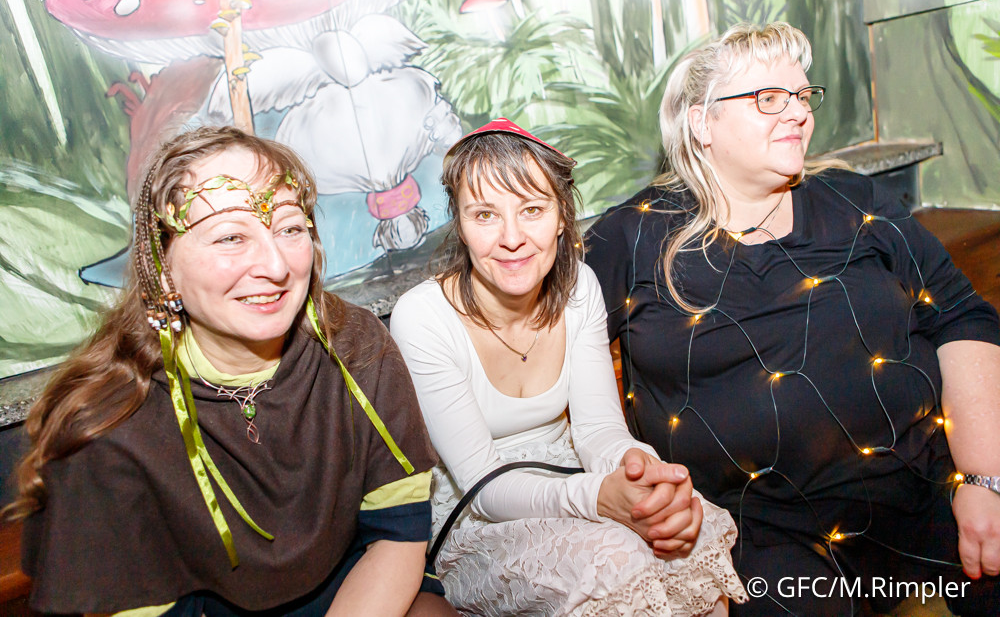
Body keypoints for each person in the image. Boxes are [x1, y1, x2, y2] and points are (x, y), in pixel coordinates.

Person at [585, 22, 1000, 616]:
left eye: (803, 96)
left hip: (927, 488)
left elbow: (960, 317)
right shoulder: (634, 237)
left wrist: (984, 480)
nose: (799, 113)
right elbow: (553, 368)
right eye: (769, 98)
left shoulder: (857, 202)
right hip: (764, 537)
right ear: (702, 123)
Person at [9, 126, 454, 616]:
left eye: (289, 229)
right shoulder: (111, 431)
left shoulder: (356, 348)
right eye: (230, 237)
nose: (275, 265)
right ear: (162, 266)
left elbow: (397, 535)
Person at [390, 118, 747, 616]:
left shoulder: (578, 285)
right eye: (485, 214)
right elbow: (485, 487)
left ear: (561, 215)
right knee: (615, 559)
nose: (511, 238)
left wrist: (642, 475)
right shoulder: (423, 317)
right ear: (461, 224)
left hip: (572, 471)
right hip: (477, 516)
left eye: (532, 209)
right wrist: (601, 497)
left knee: (693, 526)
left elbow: (599, 431)